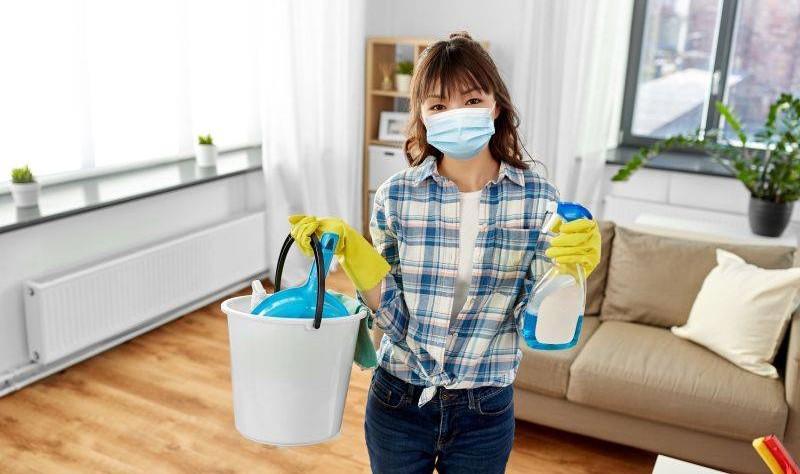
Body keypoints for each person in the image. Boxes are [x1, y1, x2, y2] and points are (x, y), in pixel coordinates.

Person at [288, 31, 601, 474]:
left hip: (485, 409)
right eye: (438, 105)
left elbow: (535, 321)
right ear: (421, 116)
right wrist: (356, 259)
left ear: (496, 105)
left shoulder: (538, 200)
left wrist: (571, 267)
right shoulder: (396, 196)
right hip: (398, 399)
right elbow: (391, 319)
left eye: (472, 99)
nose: (456, 114)